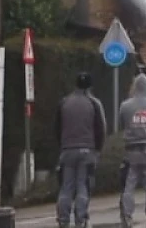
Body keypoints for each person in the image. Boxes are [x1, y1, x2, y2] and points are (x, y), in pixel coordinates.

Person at [55, 72, 107, 228]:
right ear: (90, 87)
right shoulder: (94, 103)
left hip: (67, 150)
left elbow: (57, 127)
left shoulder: (64, 102)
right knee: (83, 186)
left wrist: (63, 146)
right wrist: (98, 150)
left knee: (66, 187)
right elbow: (101, 129)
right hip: (87, 151)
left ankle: (63, 221)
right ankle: (81, 220)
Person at [118, 73, 146, 228]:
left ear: (135, 87)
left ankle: (127, 218)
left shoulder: (125, 106)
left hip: (131, 152)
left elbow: (122, 123)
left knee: (129, 186)